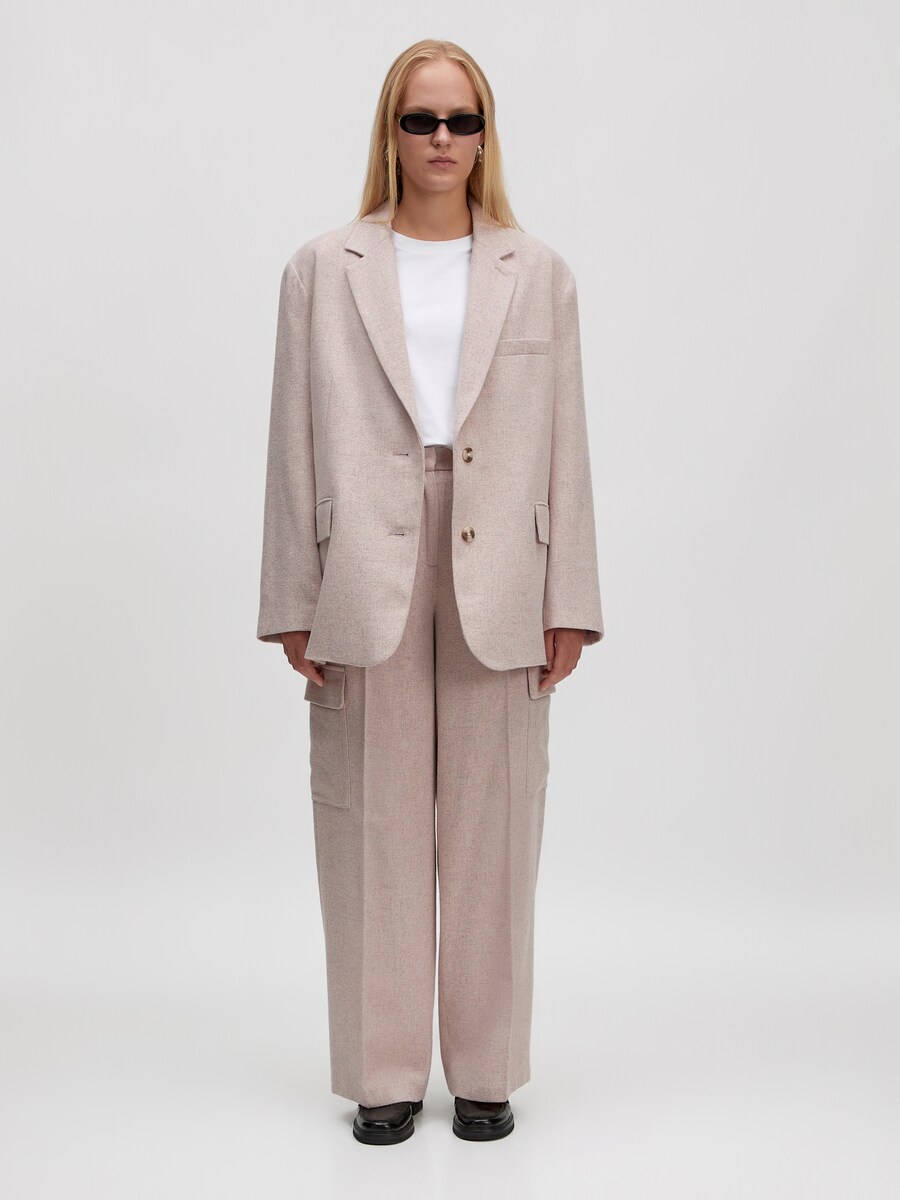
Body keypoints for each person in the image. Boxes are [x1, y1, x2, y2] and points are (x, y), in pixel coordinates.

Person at [256, 38, 604, 1145]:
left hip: (504, 566)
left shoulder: (536, 271)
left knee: (497, 827)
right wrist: (292, 597)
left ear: (486, 135)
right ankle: (384, 1073)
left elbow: (566, 439)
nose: (442, 139)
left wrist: (571, 596)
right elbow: (293, 438)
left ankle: (488, 1070)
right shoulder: (324, 268)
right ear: (391, 133)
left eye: (462, 120)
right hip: (366, 561)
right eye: (422, 120)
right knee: (374, 823)